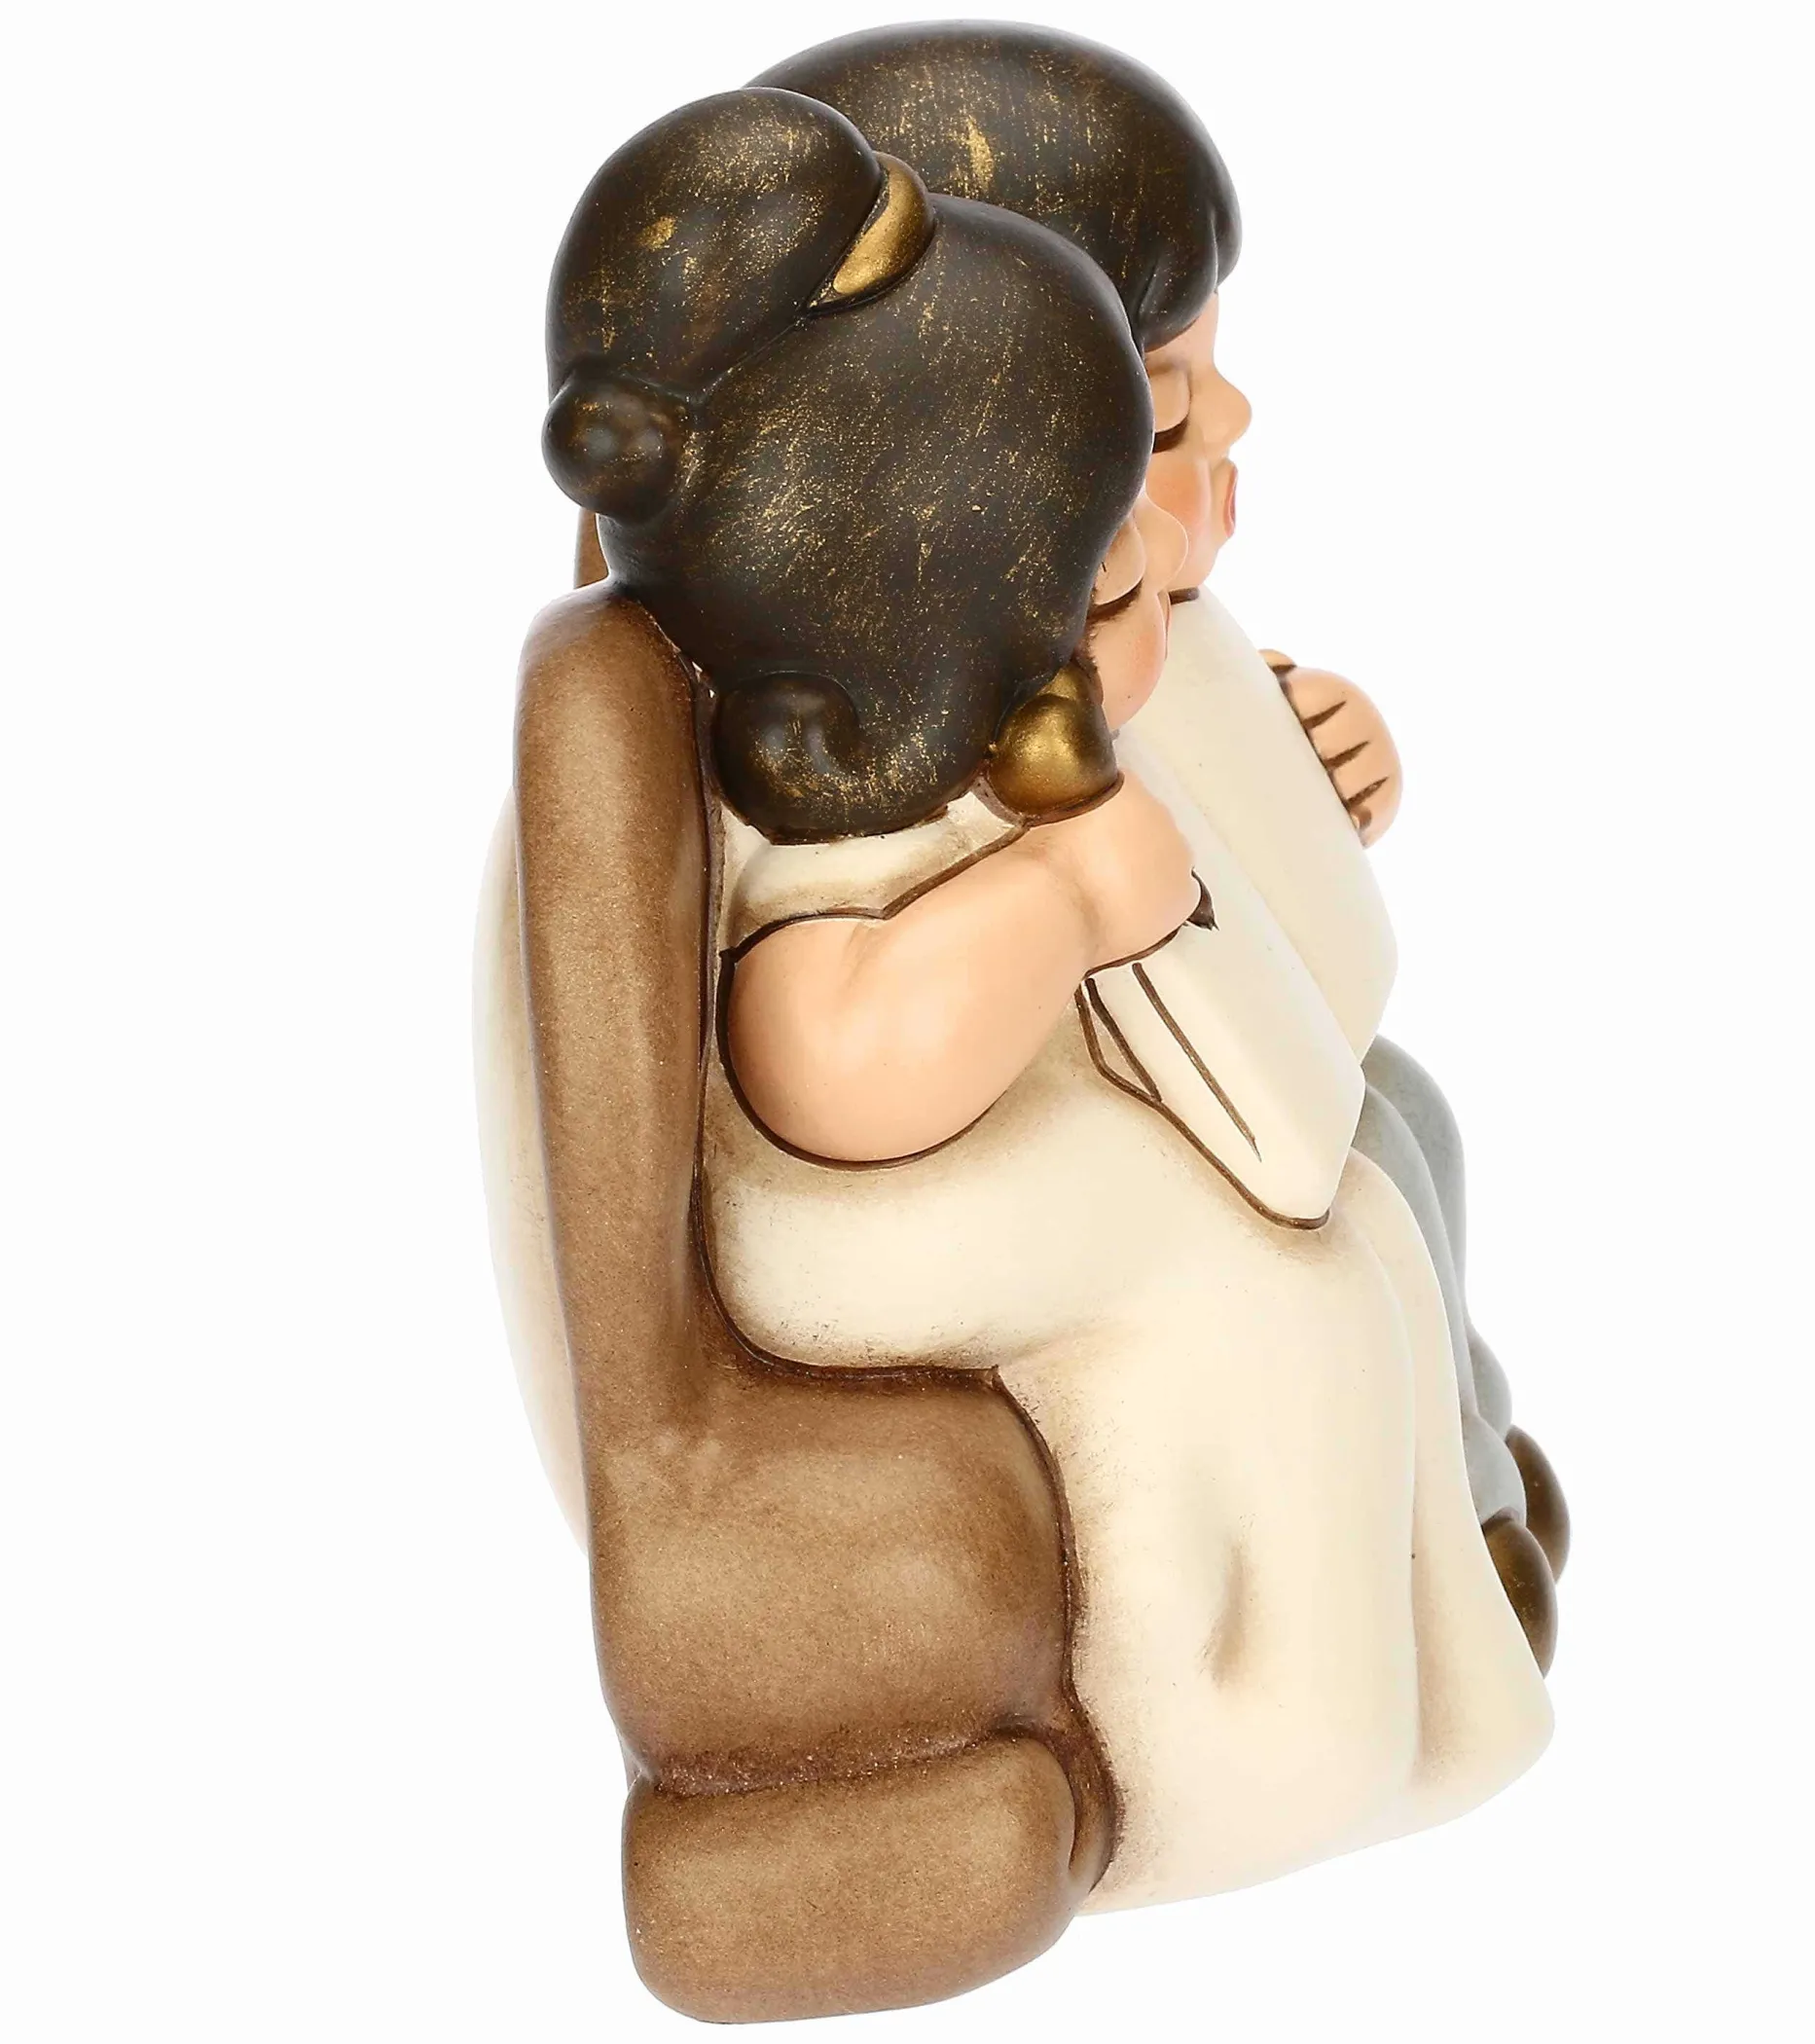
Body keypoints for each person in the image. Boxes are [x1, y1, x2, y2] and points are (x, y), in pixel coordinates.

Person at [479, 81, 1547, 2023]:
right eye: (1107, 582)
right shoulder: (803, 798)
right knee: (1277, 1312)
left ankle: (1422, 1603)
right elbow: (829, 1062)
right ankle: (1257, 1742)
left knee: (1366, 1208)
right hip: (869, 1233)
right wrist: (1055, 904)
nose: (1151, 600)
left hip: (1015, 1161)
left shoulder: (913, 691)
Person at [751, 19, 1572, 1590]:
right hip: (1098, 1128)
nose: (1239, 424)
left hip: (1258, 1043)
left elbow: (1228, 773)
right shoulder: (915, 720)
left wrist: (1329, 746)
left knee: (1417, 1127)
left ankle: (1465, 1456)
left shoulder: (1143, 638)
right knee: (1351, 1220)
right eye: (1178, 415)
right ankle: (1428, 1543)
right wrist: (1063, 898)